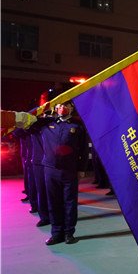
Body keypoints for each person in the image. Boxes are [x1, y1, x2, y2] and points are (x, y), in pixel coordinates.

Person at [35, 101, 87, 245]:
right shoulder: (46, 124)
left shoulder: (77, 126)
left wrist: (81, 169)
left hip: (69, 170)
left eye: (66, 105)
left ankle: (69, 233)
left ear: (71, 108)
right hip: (50, 169)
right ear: (55, 108)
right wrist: (42, 109)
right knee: (53, 202)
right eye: (59, 105)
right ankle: (56, 233)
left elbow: (84, 149)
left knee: (70, 202)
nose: (62, 108)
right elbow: (26, 124)